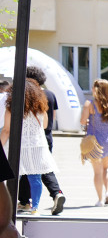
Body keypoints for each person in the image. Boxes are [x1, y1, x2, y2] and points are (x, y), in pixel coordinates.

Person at [2, 79, 59, 214]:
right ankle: (35, 208)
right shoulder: (40, 109)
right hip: (37, 146)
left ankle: (8, 208)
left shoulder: (12, 108)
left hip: (18, 146)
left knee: (14, 178)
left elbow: (6, 130)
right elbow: (44, 126)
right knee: (35, 178)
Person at [21, 66, 67, 215]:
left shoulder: (26, 95)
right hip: (46, 137)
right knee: (42, 170)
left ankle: (27, 202)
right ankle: (55, 193)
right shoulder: (49, 95)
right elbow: (51, 118)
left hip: (30, 138)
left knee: (30, 170)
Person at [80, 79, 108, 206]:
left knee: (97, 172)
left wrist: (91, 122)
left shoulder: (90, 104)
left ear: (95, 90)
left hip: (95, 141)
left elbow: (82, 121)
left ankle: (100, 200)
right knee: (106, 169)